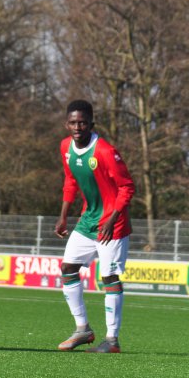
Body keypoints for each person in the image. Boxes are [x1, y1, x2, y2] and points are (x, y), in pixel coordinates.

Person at [54, 99, 135, 353]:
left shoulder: (105, 151)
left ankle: (112, 340)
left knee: (109, 277)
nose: (78, 127)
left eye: (83, 122)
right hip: (88, 220)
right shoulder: (65, 147)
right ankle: (83, 330)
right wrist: (63, 215)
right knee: (68, 268)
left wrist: (113, 218)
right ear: (67, 123)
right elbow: (70, 181)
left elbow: (127, 187)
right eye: (73, 122)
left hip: (113, 223)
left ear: (91, 123)